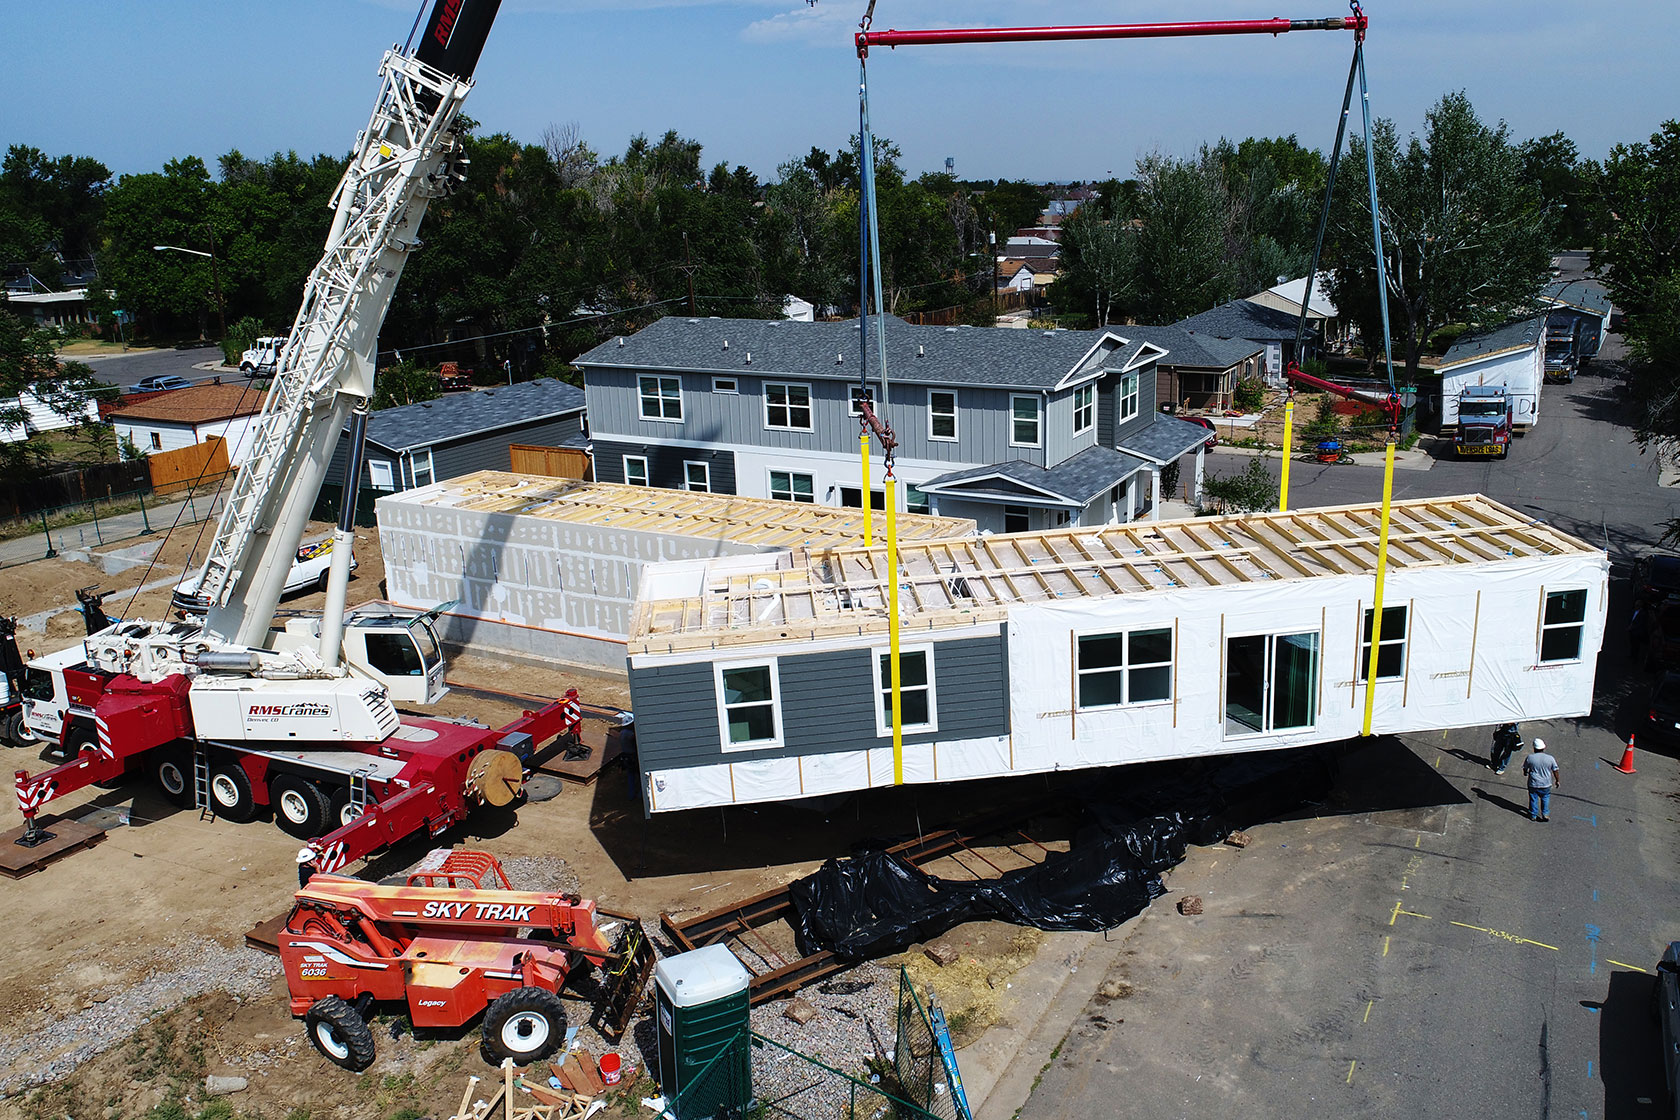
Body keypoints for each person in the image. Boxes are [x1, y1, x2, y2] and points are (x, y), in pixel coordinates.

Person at [1522, 738, 1561, 822]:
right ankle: (1545, 813)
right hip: (1546, 783)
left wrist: (1525, 772)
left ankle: (1533, 814)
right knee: (1545, 798)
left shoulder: (1530, 758)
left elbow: (1525, 768)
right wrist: (1557, 780)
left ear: (1534, 748)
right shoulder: (1550, 758)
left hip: (1533, 783)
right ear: (1543, 748)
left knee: (1533, 798)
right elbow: (1555, 770)